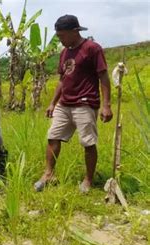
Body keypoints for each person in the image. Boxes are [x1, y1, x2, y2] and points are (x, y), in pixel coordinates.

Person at [34, 15, 113, 193]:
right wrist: (52, 103)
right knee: (53, 136)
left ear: (74, 31)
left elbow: (103, 76)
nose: (59, 39)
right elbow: (63, 79)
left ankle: (88, 180)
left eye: (61, 35)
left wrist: (106, 105)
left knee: (88, 142)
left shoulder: (92, 49)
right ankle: (48, 175)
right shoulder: (64, 52)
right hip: (64, 103)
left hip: (85, 103)